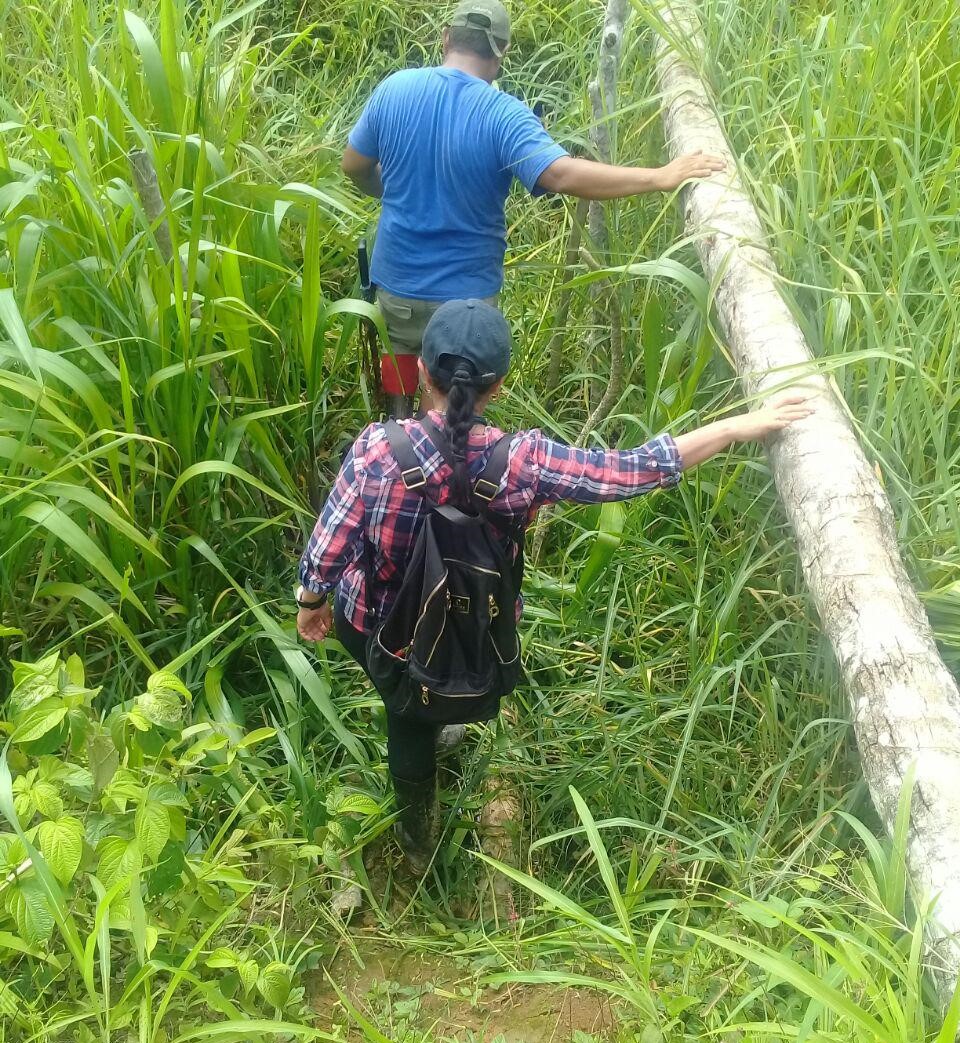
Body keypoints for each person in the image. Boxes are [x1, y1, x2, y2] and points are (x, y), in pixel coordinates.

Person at [295, 300, 813, 879]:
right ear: (499, 385)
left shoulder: (375, 450)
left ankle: (419, 844)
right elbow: (631, 471)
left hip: (377, 629)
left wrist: (311, 605)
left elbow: (328, 545)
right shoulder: (524, 461)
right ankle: (441, 726)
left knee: (404, 716)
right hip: (473, 628)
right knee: (425, 707)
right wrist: (738, 425)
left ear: (421, 373)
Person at [342, 0, 725, 418]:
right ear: (501, 53)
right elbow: (560, 174)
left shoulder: (394, 89)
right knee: (455, 414)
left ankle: (397, 439)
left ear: (446, 39)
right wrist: (659, 176)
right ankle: (450, 467)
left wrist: (391, 190)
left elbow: (354, 166)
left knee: (400, 375)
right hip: (466, 302)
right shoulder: (503, 114)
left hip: (395, 286)